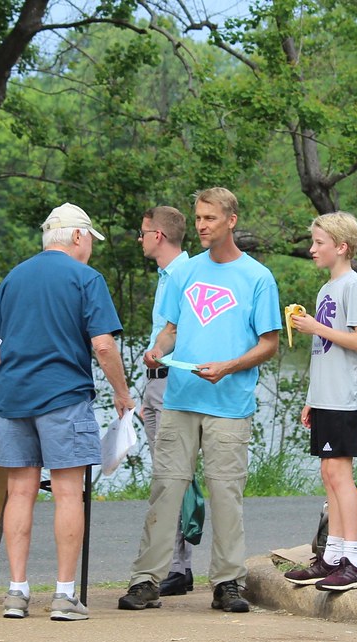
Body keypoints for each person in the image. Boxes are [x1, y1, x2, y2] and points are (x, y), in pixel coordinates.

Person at [118, 187, 281, 614]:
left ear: (231, 219)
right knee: (166, 489)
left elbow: (269, 343)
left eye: (210, 218)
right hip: (181, 399)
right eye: (198, 218)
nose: (202, 226)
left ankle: (228, 583)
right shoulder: (185, 273)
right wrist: (158, 347)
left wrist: (229, 366)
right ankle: (146, 581)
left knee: (226, 493)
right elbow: (171, 327)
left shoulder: (257, 277)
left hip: (230, 404)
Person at [0, 203, 133, 622]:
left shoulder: (13, 278)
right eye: (89, 239)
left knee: (20, 492)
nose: (90, 247)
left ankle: (16, 592)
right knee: (68, 492)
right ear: (76, 236)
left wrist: (19, 371)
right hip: (64, 396)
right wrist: (122, 393)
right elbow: (103, 345)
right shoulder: (86, 278)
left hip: (13, 397)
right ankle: (64, 594)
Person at [284, 212, 357, 591]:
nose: (312, 249)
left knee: (340, 474)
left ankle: (354, 559)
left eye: (319, 243)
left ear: (341, 247)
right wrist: (311, 399)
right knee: (327, 473)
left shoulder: (354, 285)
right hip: (326, 396)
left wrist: (316, 327)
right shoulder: (325, 290)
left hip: (345, 397)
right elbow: (323, 351)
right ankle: (332, 556)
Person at [138, 206, 196, 597]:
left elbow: (187, 332)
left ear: (158, 235)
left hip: (173, 382)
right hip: (156, 383)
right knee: (166, 475)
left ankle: (178, 566)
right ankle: (175, 564)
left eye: (143, 232)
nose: (140, 238)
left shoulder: (187, 275)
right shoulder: (166, 276)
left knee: (173, 475)